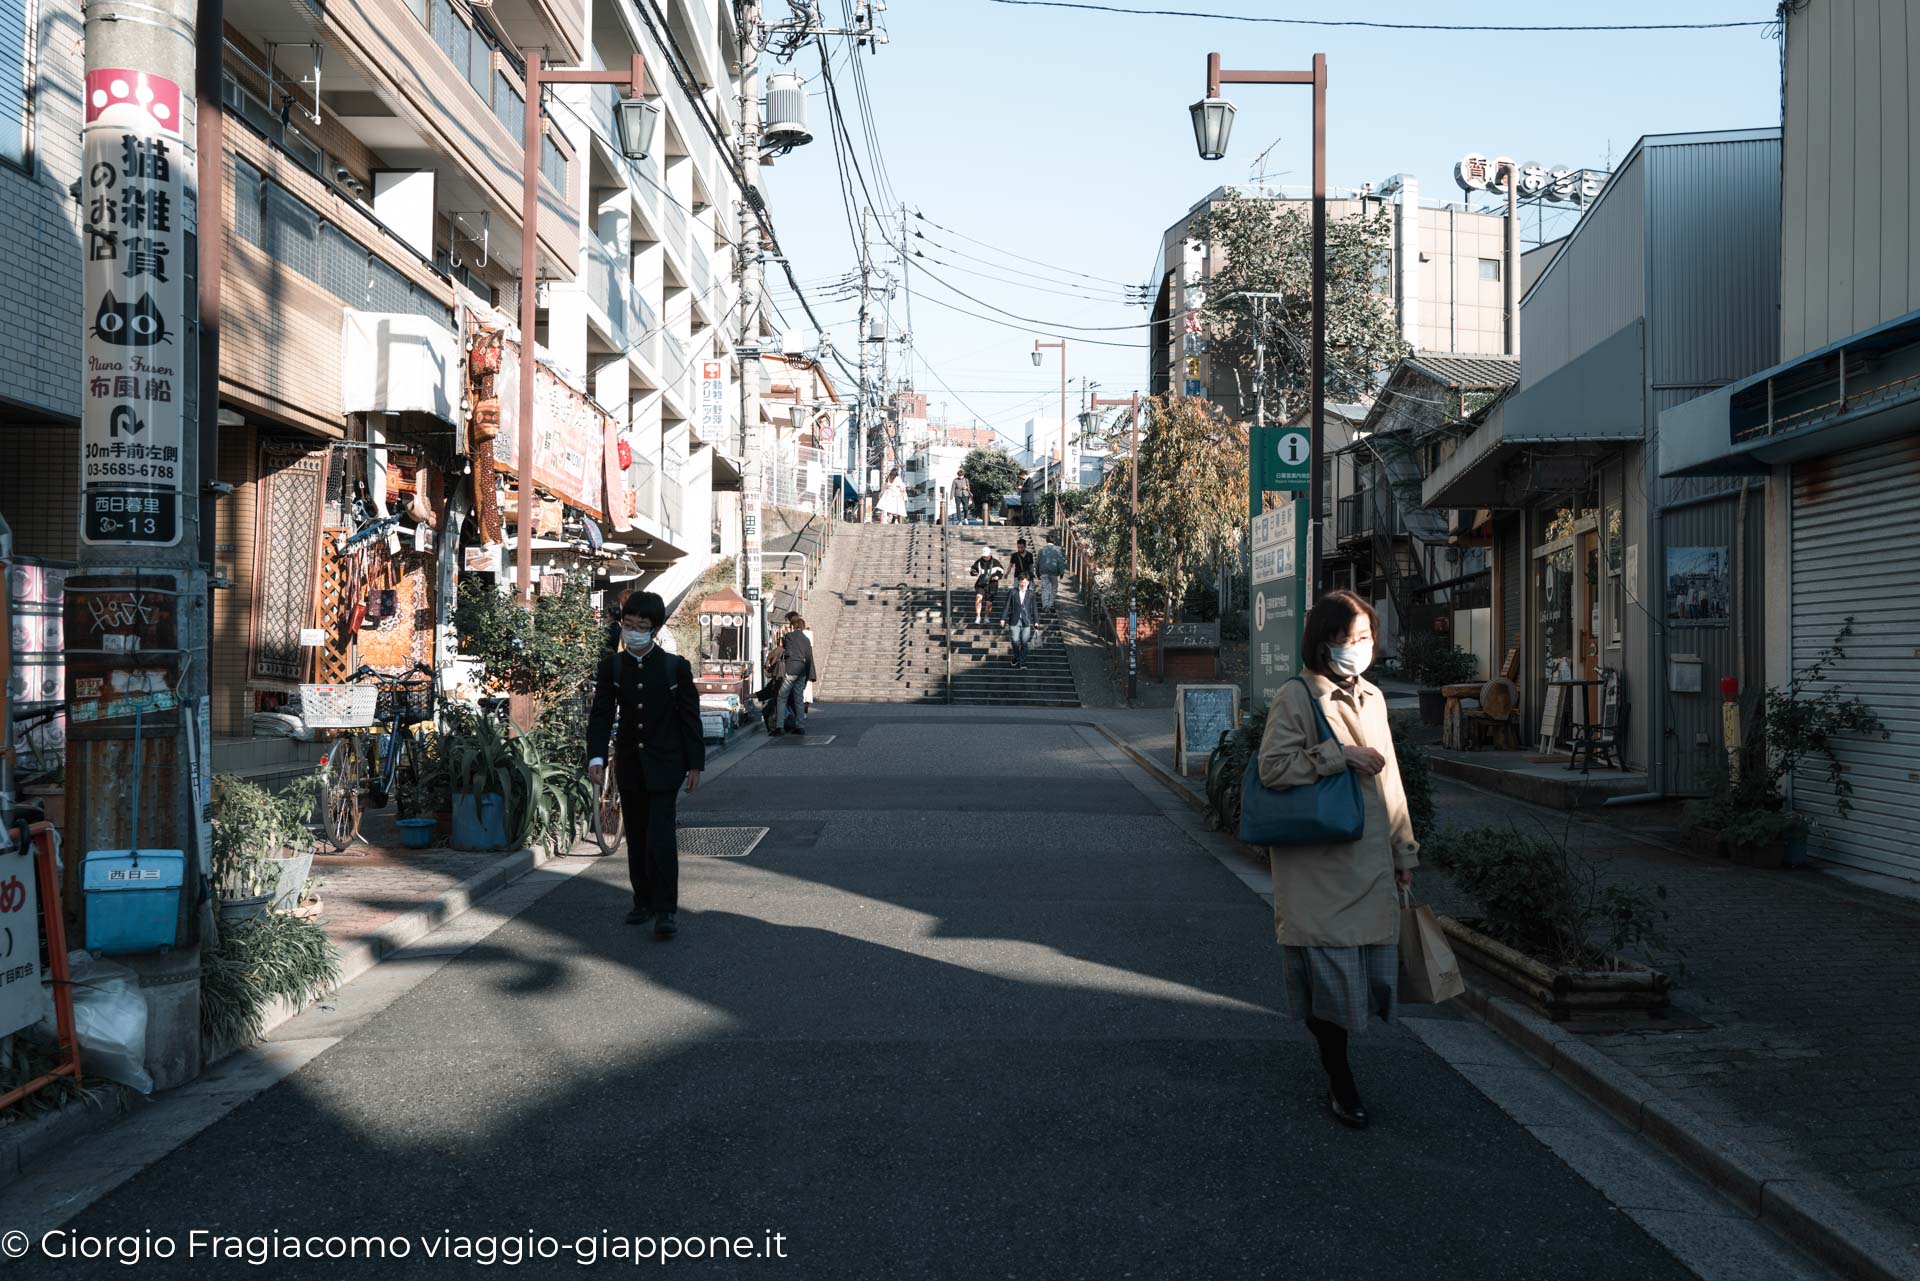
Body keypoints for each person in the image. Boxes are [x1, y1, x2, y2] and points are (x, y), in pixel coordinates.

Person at [1254, 589, 1418, 1130]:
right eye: (1350, 640)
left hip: (1369, 861)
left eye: (1367, 638)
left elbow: (1390, 779)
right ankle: (1340, 1077)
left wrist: (1403, 851)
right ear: (1324, 643)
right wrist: (1337, 755)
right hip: (1318, 868)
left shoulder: (1373, 696)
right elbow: (1272, 769)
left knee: (1364, 980)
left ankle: (1339, 1067)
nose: (1360, 648)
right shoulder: (1297, 696)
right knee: (1328, 980)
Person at [588, 591, 705, 939]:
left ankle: (666, 909)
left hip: (667, 763)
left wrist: (695, 763)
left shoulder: (674, 667)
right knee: (636, 835)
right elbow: (601, 714)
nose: (633, 631)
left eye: (642, 626)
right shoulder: (612, 667)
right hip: (630, 763)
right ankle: (642, 901)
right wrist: (596, 757)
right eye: (628, 624)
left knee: (661, 838)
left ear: (654, 629)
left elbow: (690, 718)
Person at [773, 613, 817, 735]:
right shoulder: (806, 640)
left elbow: (788, 652)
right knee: (799, 699)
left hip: (791, 669)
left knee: (782, 697)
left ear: (793, 626)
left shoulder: (789, 636)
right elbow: (809, 658)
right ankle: (800, 726)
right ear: (802, 627)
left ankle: (779, 727)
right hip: (802, 671)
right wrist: (810, 675)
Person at [1001, 570, 1041, 668]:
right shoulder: (1012, 592)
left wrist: (1036, 621)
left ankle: (1021, 660)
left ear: (1029, 583)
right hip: (1014, 620)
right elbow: (1007, 606)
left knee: (1024, 641)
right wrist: (1003, 618)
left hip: (1026, 621)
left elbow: (1034, 608)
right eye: (1022, 582)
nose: (1023, 584)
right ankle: (1016, 656)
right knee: (1015, 640)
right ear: (1018, 581)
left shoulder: (1031, 594)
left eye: (1025, 582)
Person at [968, 544, 1003, 626]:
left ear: (990, 554)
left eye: (986, 556)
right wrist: (973, 572)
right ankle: (978, 617)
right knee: (978, 598)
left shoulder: (995, 562)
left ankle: (986, 616)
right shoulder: (979, 561)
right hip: (981, 583)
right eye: (984, 556)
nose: (985, 557)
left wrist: (997, 577)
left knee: (989, 603)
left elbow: (1001, 571)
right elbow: (973, 569)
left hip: (992, 584)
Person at [1036, 535, 1066, 610]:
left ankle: (1045, 604)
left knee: (1045, 588)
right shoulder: (1057, 550)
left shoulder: (1041, 550)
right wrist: (1061, 573)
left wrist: (1037, 572)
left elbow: (1037, 562)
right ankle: (1051, 603)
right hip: (1054, 572)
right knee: (1054, 587)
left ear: (1046, 540)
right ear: (1054, 541)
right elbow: (1061, 562)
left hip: (1043, 572)